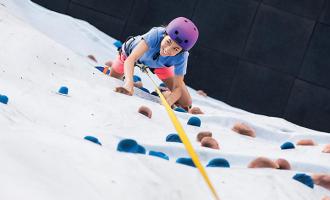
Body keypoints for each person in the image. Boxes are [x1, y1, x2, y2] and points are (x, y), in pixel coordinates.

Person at [109, 17, 199, 111]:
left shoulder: (183, 57)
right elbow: (131, 59)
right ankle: (130, 80)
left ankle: (162, 91)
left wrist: (167, 102)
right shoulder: (155, 34)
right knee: (113, 78)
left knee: (186, 102)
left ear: (181, 52)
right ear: (164, 34)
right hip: (128, 55)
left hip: (159, 65)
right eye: (168, 42)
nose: (167, 50)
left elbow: (178, 88)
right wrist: (128, 84)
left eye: (175, 49)